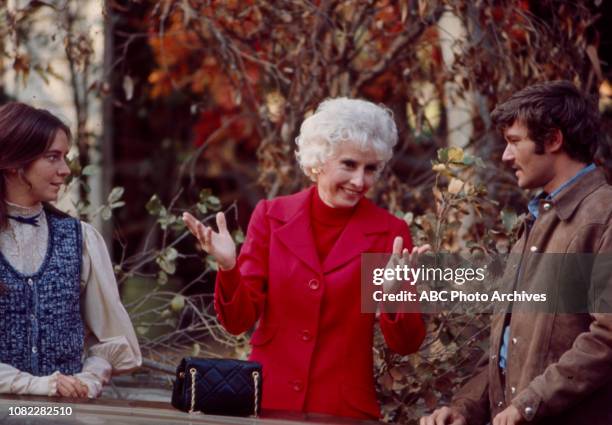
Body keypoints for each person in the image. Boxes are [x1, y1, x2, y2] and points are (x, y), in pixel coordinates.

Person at [183, 98, 426, 420]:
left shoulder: (389, 232)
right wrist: (228, 267)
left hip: (342, 410)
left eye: (371, 169)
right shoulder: (271, 216)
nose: (360, 181)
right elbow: (237, 322)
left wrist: (394, 296)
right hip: (268, 401)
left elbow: (406, 344)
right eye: (350, 165)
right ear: (319, 161)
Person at [421, 81, 612, 425]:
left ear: (553, 140)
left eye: (514, 142)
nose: (506, 156)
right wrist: (465, 407)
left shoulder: (604, 216)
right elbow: (509, 346)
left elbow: (607, 337)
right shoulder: (535, 220)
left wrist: (529, 403)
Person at [0, 102, 141, 398]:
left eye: (65, 158)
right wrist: (34, 384)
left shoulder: (80, 238)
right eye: (52, 157)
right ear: (13, 162)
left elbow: (112, 340)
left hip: (62, 415)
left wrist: (89, 377)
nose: (65, 170)